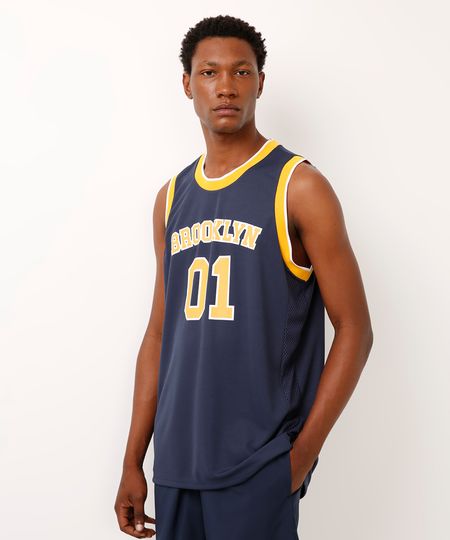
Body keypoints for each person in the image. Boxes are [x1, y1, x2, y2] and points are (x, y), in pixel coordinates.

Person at [114, 14, 373, 540]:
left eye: (241, 71)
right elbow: (160, 335)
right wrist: (132, 460)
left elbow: (355, 330)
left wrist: (299, 459)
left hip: (257, 465)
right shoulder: (171, 198)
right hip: (176, 465)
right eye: (209, 72)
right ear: (187, 84)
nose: (226, 86)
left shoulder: (298, 187)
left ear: (260, 81)